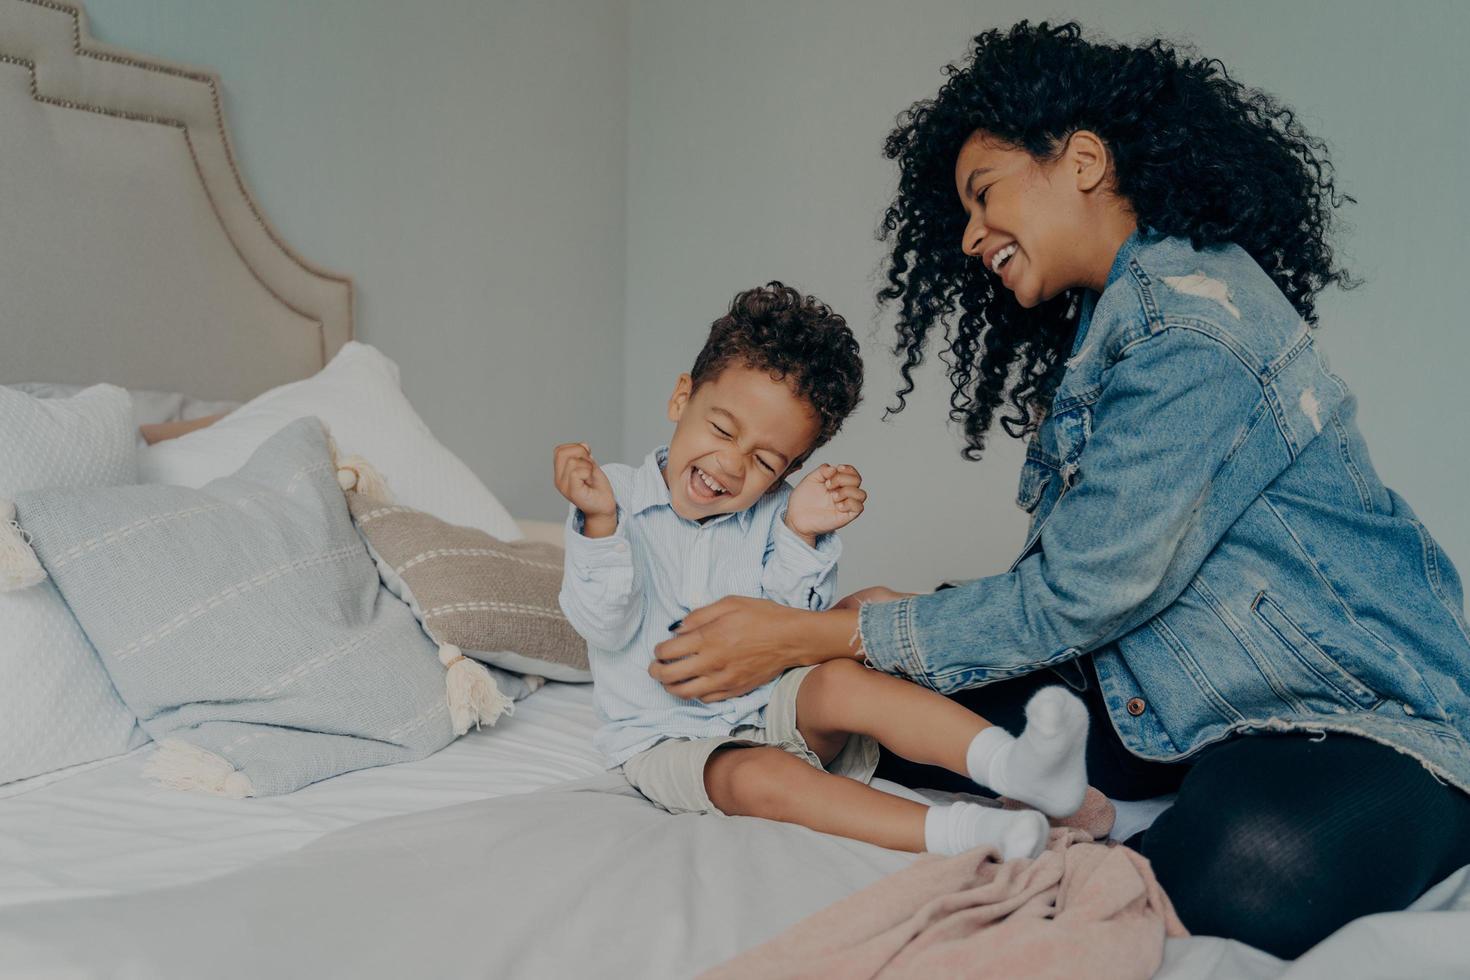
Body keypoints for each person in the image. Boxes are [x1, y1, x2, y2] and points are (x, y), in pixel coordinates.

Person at [644, 23, 1470, 959]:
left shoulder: (1191, 328)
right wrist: (889, 634)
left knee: (1255, 865)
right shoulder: (1114, 319)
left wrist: (823, 630)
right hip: (1168, 695)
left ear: (1081, 161)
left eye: (983, 193)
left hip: (1351, 705)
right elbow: (1107, 585)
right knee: (876, 689)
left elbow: (1080, 596)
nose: (967, 235)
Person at [555, 282, 1091, 859]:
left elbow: (792, 632)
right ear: (681, 399)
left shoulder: (770, 515)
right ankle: (967, 833)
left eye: (765, 460)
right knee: (757, 778)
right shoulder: (614, 501)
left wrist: (799, 531)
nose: (731, 465)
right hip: (668, 739)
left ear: (791, 466)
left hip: (775, 704)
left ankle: (1015, 766)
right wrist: (602, 523)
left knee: (843, 681)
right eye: (721, 429)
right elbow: (605, 625)